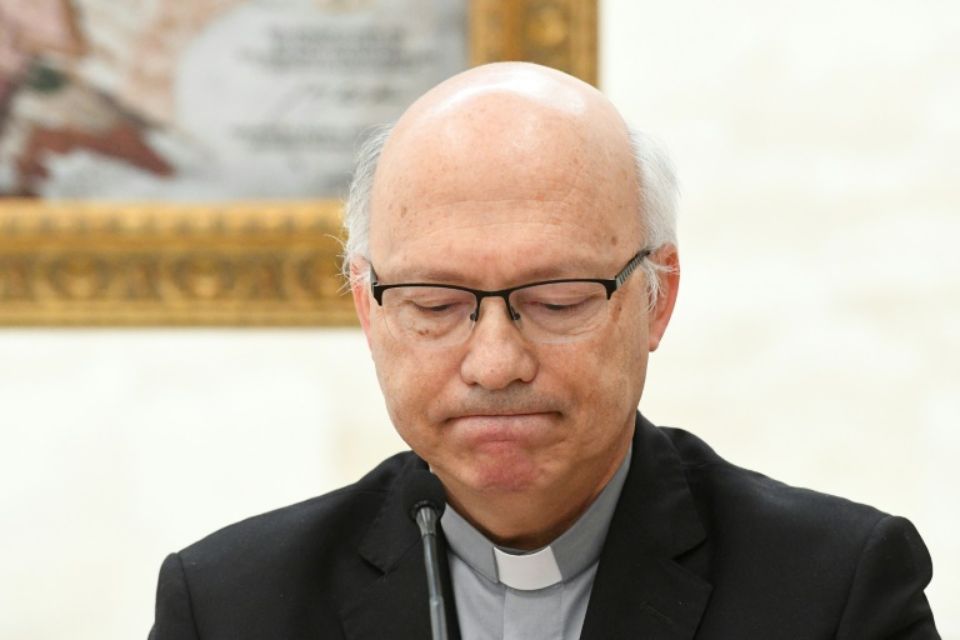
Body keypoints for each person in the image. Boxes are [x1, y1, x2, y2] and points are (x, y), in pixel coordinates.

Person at [149, 62, 939, 639]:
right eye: (436, 303)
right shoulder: (228, 606)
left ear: (657, 297)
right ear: (368, 306)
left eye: (556, 300)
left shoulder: (837, 592)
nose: (495, 363)